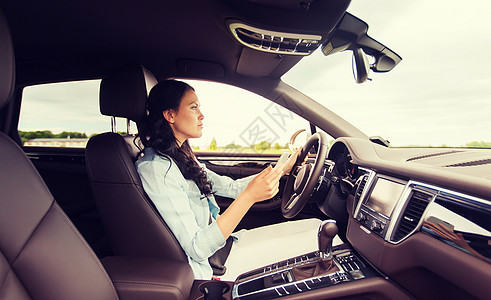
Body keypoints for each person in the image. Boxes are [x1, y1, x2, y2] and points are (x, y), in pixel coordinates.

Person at [135, 80, 325, 280]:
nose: (202, 115)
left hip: (224, 247)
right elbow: (197, 248)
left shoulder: (180, 156)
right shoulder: (158, 169)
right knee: (320, 239)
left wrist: (282, 170)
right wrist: (249, 198)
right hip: (214, 267)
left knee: (315, 226)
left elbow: (231, 187)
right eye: (193, 107)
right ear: (170, 115)